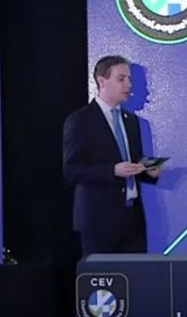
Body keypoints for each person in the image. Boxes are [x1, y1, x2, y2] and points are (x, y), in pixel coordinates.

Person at [63, 55, 161, 255]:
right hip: (98, 222)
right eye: (121, 79)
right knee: (104, 275)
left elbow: (134, 163)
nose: (128, 85)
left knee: (136, 273)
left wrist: (149, 171)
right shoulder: (80, 120)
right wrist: (112, 170)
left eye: (129, 79)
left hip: (132, 221)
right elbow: (72, 171)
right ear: (102, 81)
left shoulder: (132, 122)